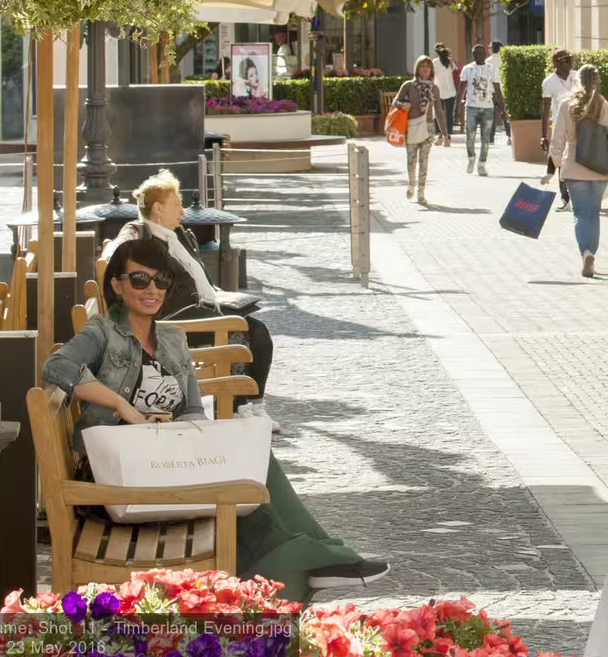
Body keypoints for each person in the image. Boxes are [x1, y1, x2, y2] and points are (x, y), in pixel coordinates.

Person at [42, 237, 388, 598]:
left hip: (162, 463)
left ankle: (317, 559)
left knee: (252, 461)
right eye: (140, 280)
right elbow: (57, 366)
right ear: (117, 284)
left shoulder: (173, 339)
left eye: (161, 281)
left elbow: (191, 409)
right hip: (116, 478)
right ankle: (312, 563)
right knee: (240, 489)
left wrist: (208, 449)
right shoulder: (102, 332)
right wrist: (122, 405)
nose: (153, 290)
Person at [104, 169, 272, 418]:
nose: (183, 211)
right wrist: (113, 252)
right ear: (159, 210)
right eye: (177, 204)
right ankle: (238, 408)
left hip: (193, 309)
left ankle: (251, 406)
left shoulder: (176, 235)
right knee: (247, 331)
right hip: (171, 321)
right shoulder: (141, 235)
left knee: (255, 329)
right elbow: (120, 245)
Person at [549, 64, 608, 279]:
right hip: (599, 168)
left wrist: (557, 161)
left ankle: (586, 252)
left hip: (573, 166)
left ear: (577, 81)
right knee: (594, 213)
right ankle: (592, 253)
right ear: (598, 82)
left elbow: (558, 137)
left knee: (580, 213)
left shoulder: (567, 105)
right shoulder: (606, 107)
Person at [392, 56, 443, 206]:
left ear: (431, 70)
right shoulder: (408, 85)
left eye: (428, 66)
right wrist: (402, 106)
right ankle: (411, 184)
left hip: (428, 127)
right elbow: (395, 101)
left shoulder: (434, 88)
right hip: (412, 126)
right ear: (417, 69)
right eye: (422, 66)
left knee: (424, 161)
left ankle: (421, 193)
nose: (425, 69)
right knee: (411, 160)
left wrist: (446, 134)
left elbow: (439, 111)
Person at [541, 50, 580, 210]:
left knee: (577, 160)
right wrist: (543, 136)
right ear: (557, 63)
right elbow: (545, 109)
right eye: (566, 60)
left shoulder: (578, 76)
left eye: (570, 60)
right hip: (560, 127)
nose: (570, 63)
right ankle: (566, 199)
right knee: (561, 162)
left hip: (579, 124)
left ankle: (578, 196)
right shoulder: (548, 82)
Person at [460, 43, 504, 176]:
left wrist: (503, 108)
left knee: (486, 139)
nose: (477, 55)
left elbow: (497, 89)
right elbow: (461, 90)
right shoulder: (467, 69)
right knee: (470, 136)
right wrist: (457, 109)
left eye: (480, 53)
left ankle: (481, 164)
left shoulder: (492, 69)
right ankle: (471, 158)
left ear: (485, 54)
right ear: (472, 54)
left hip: (488, 108)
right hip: (471, 107)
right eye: (474, 53)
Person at [433, 44, 458, 149]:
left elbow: (432, 76)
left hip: (439, 91)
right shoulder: (451, 61)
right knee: (448, 115)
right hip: (451, 91)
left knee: (438, 114)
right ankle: (447, 138)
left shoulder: (434, 62)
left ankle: (440, 136)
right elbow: (456, 72)